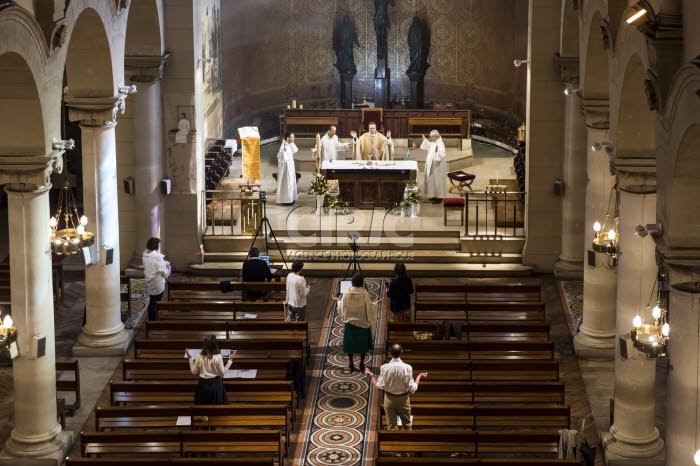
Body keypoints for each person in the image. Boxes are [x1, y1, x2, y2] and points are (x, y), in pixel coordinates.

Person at [365, 343, 428, 430]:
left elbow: (379, 387)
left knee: (391, 427)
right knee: (407, 425)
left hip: (389, 399)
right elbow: (412, 388)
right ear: (401, 352)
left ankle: (394, 443)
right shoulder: (407, 368)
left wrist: (372, 376)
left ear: (390, 353)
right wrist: (419, 377)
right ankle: (408, 442)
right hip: (403, 399)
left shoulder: (384, 368)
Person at [334, 273, 378, 373]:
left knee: (350, 345)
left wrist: (338, 301)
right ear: (362, 282)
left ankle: (351, 362)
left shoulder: (346, 292)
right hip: (362, 323)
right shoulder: (364, 293)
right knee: (362, 346)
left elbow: (342, 307)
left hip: (350, 323)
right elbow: (370, 307)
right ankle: (362, 362)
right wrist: (376, 304)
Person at [186, 335, 236, 404]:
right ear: (215, 345)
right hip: (215, 385)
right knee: (216, 408)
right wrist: (230, 361)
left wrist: (190, 359)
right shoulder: (218, 357)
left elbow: (194, 372)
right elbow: (222, 372)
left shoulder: (199, 356)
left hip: (203, 385)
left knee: (203, 408)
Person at [142, 237, 171, 321]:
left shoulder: (144, 253)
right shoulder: (157, 256)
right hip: (157, 283)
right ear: (156, 245)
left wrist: (163, 262)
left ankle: (152, 318)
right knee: (155, 302)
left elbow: (154, 264)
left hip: (149, 281)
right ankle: (153, 320)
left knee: (152, 300)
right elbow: (165, 274)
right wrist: (169, 268)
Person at [420, 129, 447, 204]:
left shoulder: (440, 144)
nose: (430, 138)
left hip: (438, 168)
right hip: (433, 167)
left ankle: (439, 197)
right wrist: (425, 140)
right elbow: (429, 146)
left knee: (437, 181)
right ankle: (434, 196)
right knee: (432, 182)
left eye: (431, 137)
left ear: (435, 137)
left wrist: (436, 152)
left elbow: (441, 155)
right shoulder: (434, 142)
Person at [276, 132, 298, 205]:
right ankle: (286, 200)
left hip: (291, 167)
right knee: (287, 184)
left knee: (291, 183)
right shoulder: (283, 145)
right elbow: (279, 156)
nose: (293, 138)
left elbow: (295, 150)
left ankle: (291, 198)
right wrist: (284, 150)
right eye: (292, 137)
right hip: (285, 168)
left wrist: (292, 143)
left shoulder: (290, 144)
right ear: (288, 138)